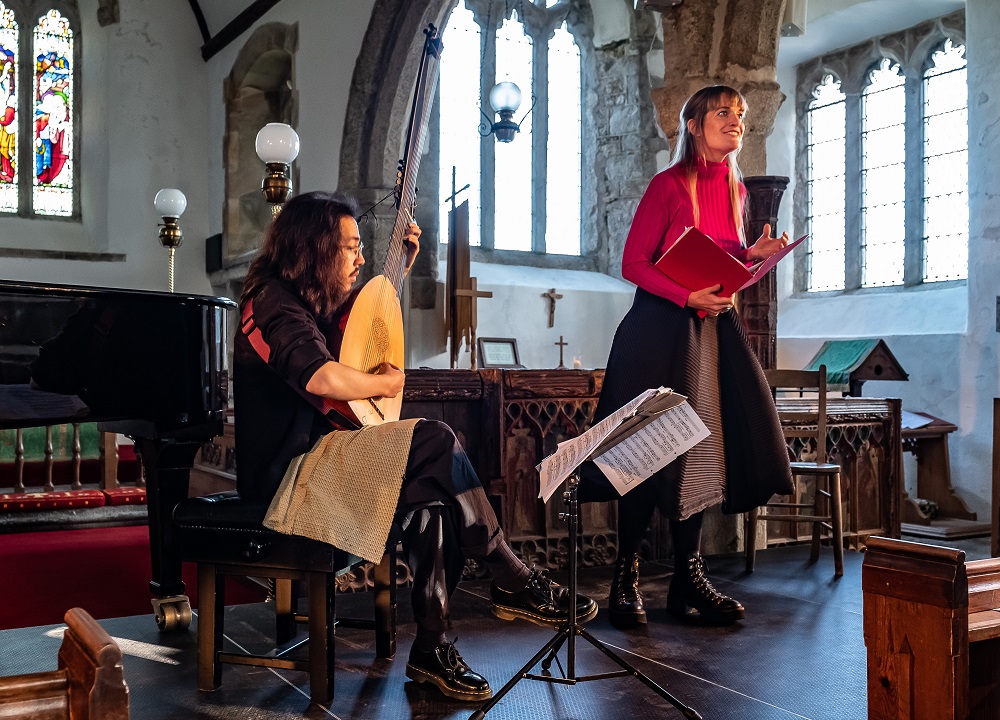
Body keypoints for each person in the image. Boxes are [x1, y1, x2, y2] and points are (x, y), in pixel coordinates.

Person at [234, 191, 597, 702]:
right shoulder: (270, 301)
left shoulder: (303, 301)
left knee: (429, 492)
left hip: (321, 462)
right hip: (286, 477)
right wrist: (383, 385)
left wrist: (398, 271)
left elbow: (353, 334)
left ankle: (432, 646)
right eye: (350, 247)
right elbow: (321, 375)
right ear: (313, 248)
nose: (359, 257)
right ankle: (509, 573)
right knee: (436, 439)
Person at [580, 85, 794, 628]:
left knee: (702, 450)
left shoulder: (736, 191)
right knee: (647, 449)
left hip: (711, 332)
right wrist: (684, 295)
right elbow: (633, 263)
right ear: (694, 124)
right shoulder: (668, 185)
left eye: (741, 114)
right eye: (723, 112)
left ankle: (686, 579)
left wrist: (753, 256)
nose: (736, 121)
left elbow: (720, 265)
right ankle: (625, 576)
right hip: (659, 332)